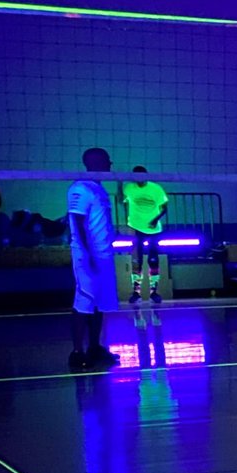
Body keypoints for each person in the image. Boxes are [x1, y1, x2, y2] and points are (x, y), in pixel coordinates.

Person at [68, 148, 120, 368]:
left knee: (100, 303)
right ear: (96, 162)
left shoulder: (99, 189)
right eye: (107, 160)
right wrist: (87, 252)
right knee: (83, 302)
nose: (110, 164)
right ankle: (77, 352)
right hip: (87, 255)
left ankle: (95, 348)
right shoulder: (80, 188)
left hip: (104, 254)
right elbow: (77, 222)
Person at [121, 166, 169, 304]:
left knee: (153, 260)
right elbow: (122, 201)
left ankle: (154, 292)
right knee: (137, 260)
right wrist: (118, 184)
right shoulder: (129, 188)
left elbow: (165, 208)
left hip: (153, 230)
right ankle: (136, 292)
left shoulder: (156, 188)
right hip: (136, 228)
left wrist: (155, 220)